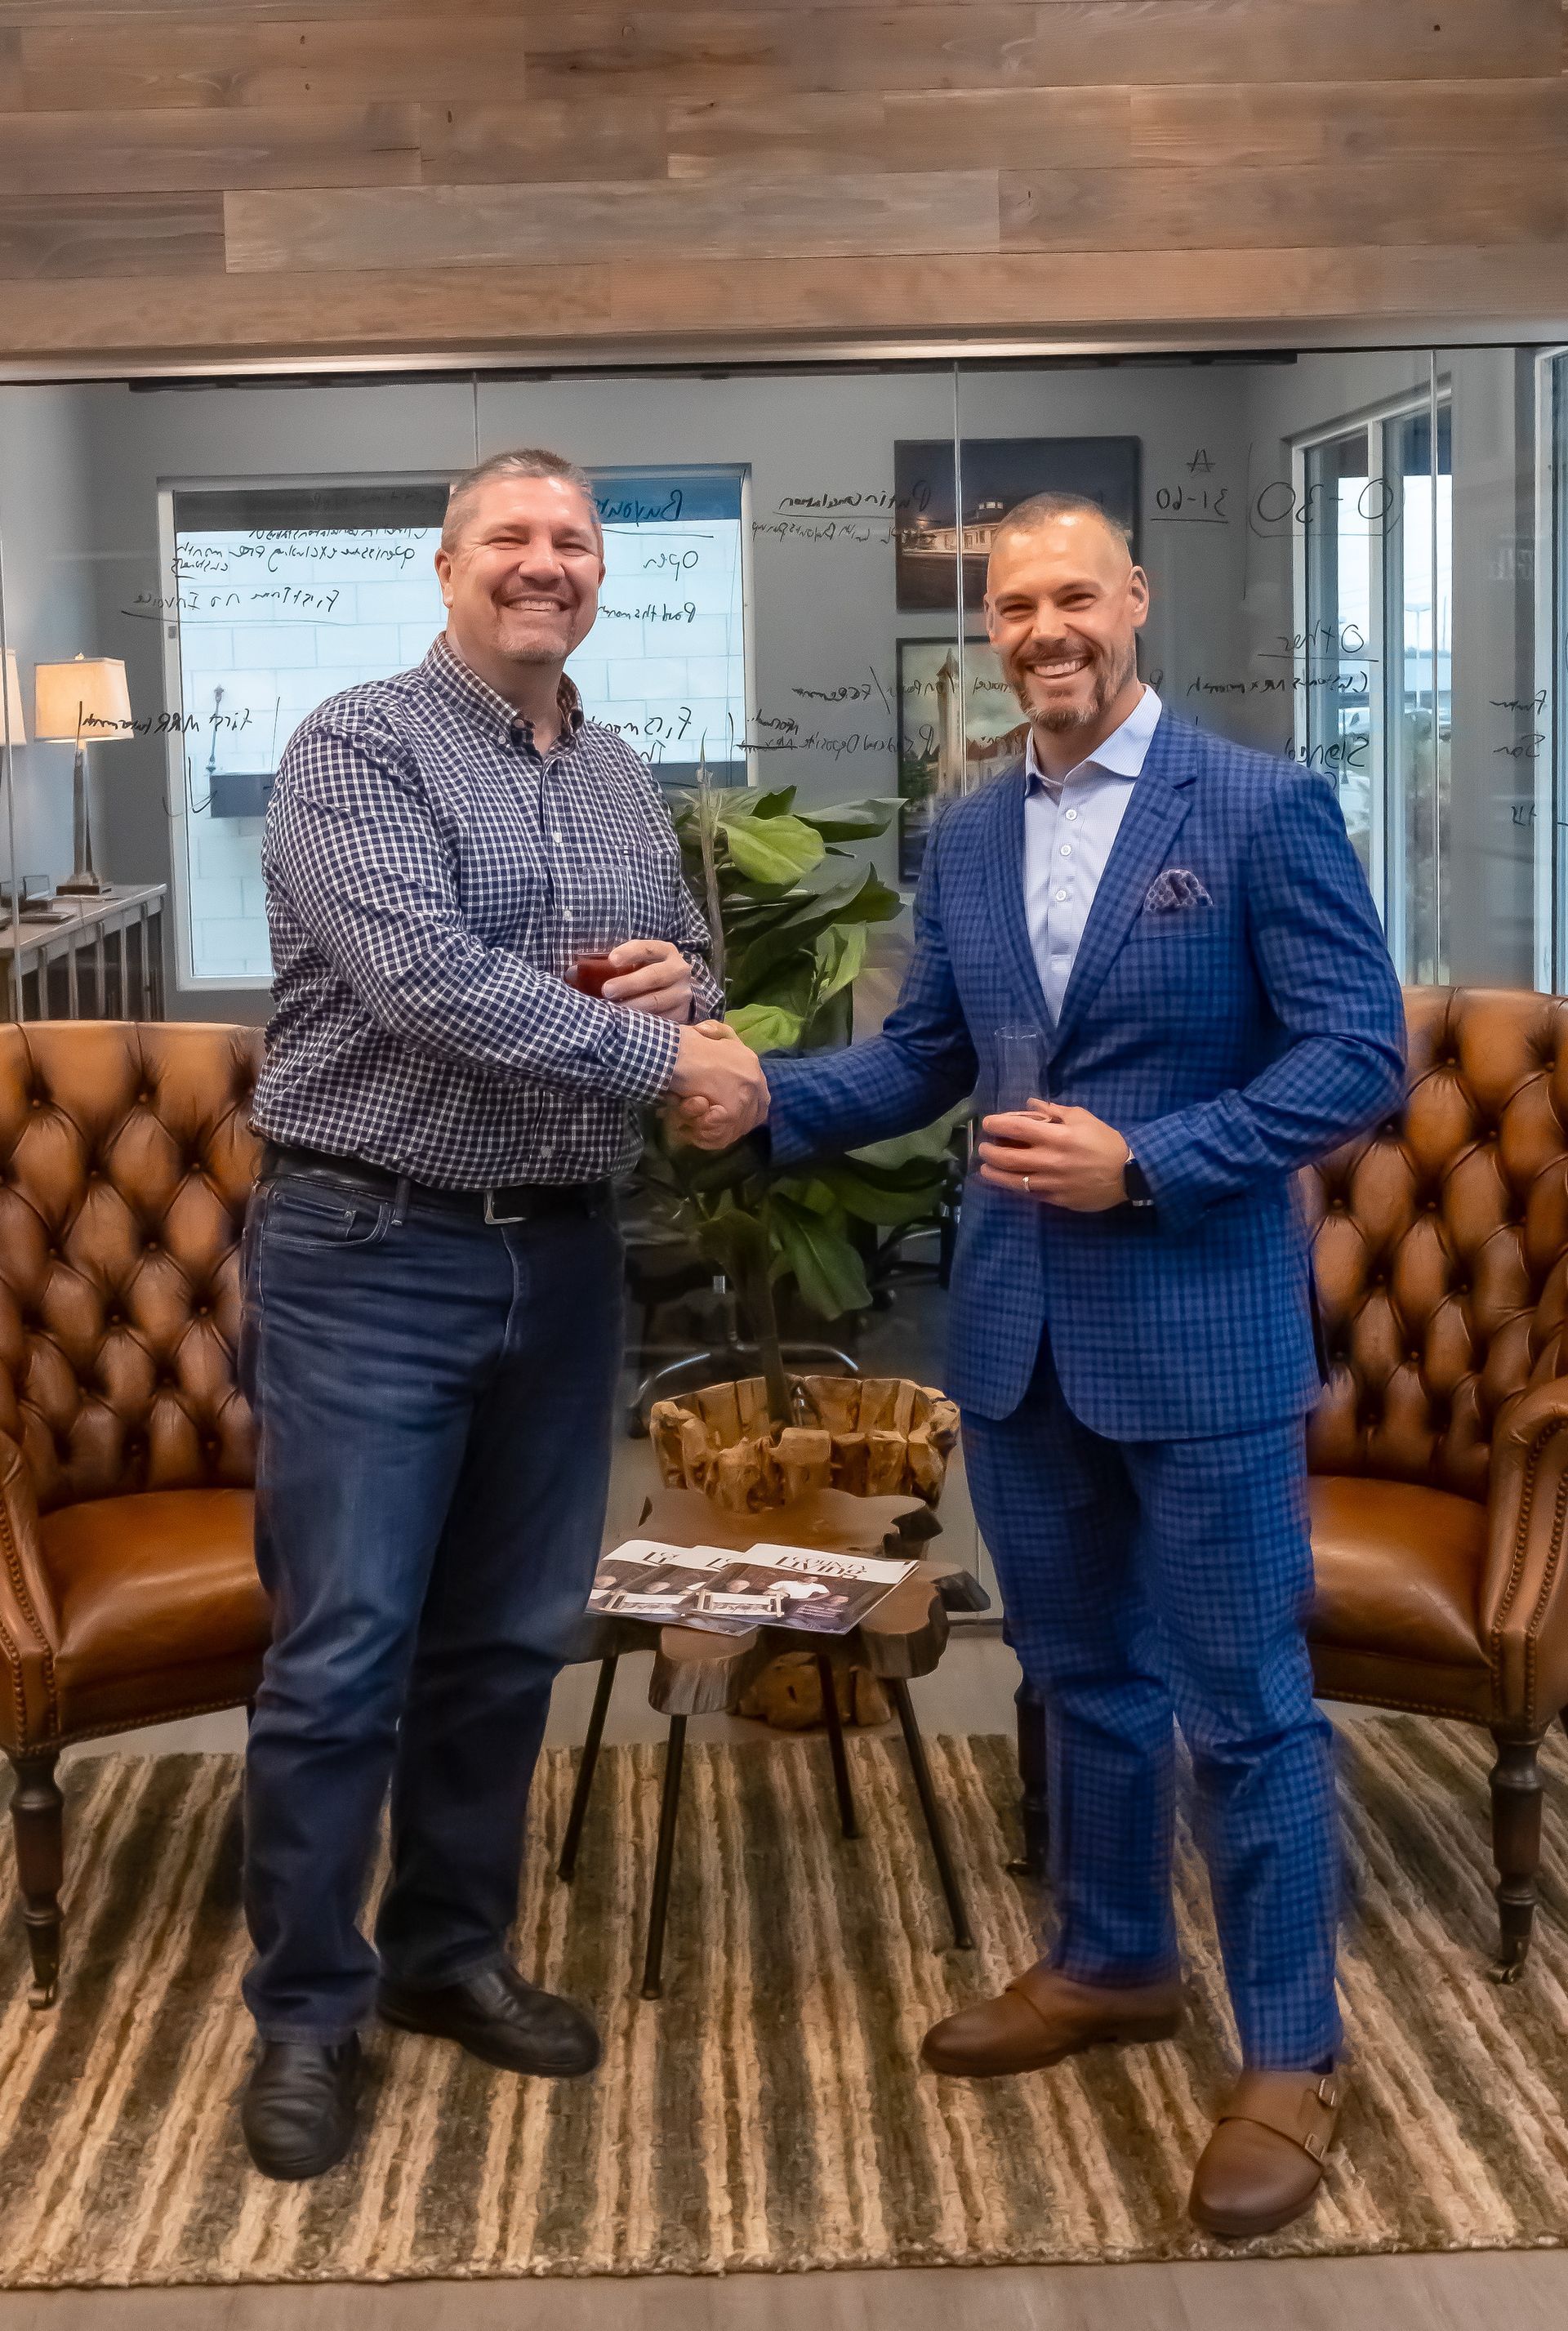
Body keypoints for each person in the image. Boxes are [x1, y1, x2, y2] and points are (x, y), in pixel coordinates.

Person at [677, 492, 1405, 2239]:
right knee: (1081, 1678)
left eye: (1074, 593)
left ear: (1134, 599)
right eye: (1014, 605)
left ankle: (1293, 2049)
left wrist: (1149, 1157)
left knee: (1244, 1704)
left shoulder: (1258, 807)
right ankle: (1111, 1957)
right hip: (1020, 1340)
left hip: (1205, 1332)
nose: (1045, 628)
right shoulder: (975, 828)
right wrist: (772, 1097)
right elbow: (929, 1050)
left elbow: (1358, 1054)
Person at [238, 445, 767, 2181]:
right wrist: (655, 1045)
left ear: (602, 575)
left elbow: (685, 940)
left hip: (559, 1252)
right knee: (345, 1650)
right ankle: (310, 2009)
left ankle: (448, 1954)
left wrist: (677, 980)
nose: (548, 566)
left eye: (576, 543)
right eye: (514, 540)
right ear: (449, 565)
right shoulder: (355, 746)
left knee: (502, 1637)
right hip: (370, 1246)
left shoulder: (615, 765)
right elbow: (421, 978)